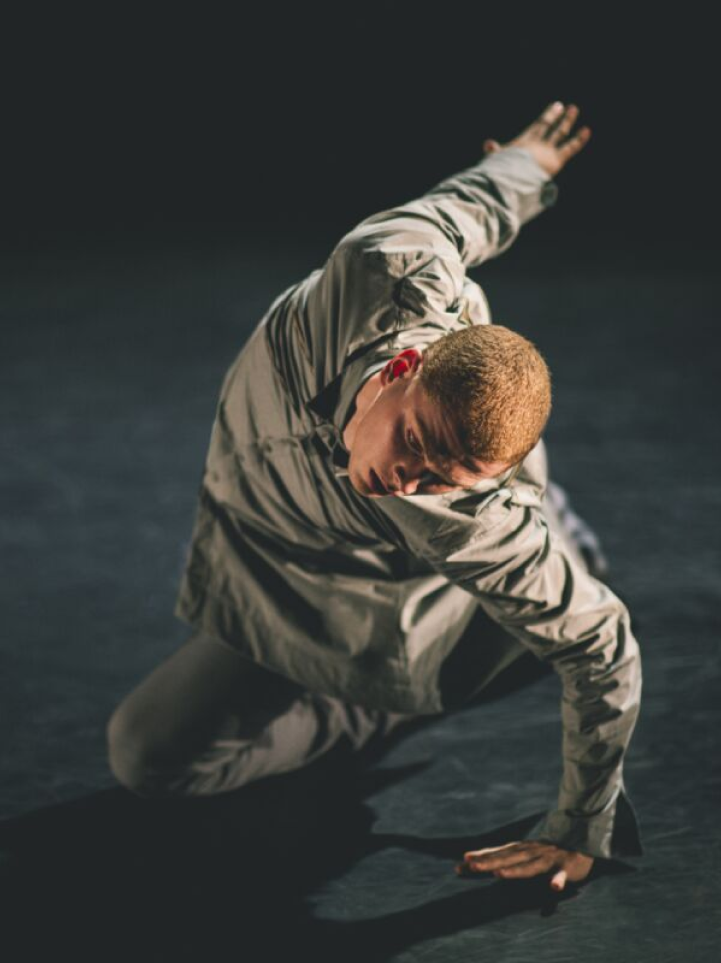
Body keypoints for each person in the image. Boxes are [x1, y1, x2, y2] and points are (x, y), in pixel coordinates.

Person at [106, 102, 642, 893]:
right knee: (148, 756)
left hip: (386, 598)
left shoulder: (466, 517)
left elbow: (603, 645)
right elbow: (471, 207)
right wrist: (526, 164)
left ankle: (489, 607)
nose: (408, 481)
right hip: (273, 562)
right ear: (401, 370)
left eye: (441, 478)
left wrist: (577, 826)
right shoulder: (382, 264)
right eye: (415, 446)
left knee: (540, 583)